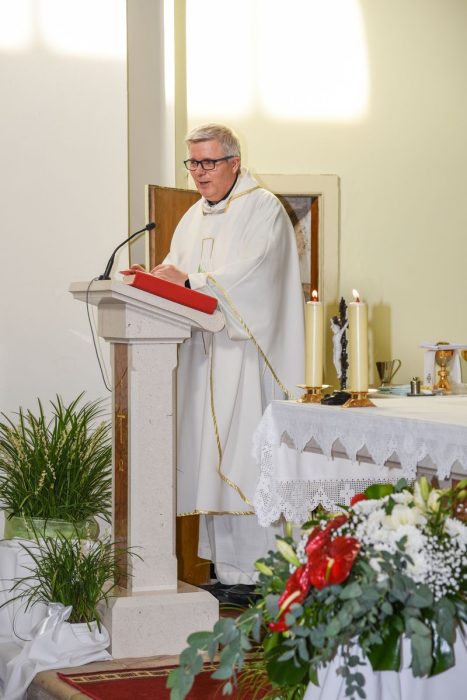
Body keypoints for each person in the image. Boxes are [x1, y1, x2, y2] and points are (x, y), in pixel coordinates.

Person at [130, 124, 304, 586]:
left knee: (247, 459)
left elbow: (256, 274)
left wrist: (191, 281)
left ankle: (265, 575)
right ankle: (227, 573)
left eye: (209, 162)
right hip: (205, 357)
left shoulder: (263, 208)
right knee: (212, 462)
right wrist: (155, 281)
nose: (199, 172)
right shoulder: (192, 217)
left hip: (246, 356)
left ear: (234, 163)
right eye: (193, 163)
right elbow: (177, 273)